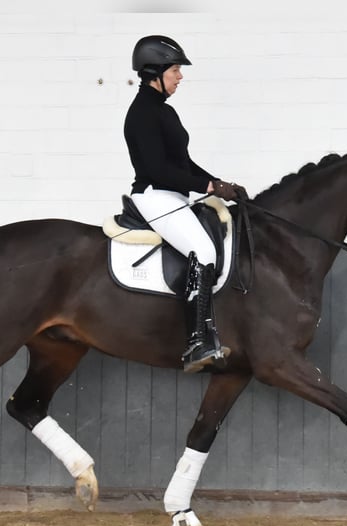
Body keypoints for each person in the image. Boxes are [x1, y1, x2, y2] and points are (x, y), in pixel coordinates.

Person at [124, 34, 246, 373]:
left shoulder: (164, 111)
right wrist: (207, 185)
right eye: (175, 70)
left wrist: (221, 185)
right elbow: (156, 169)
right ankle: (196, 341)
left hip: (172, 195)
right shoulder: (141, 114)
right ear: (155, 72)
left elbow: (182, 164)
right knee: (203, 252)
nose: (180, 77)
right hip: (154, 195)